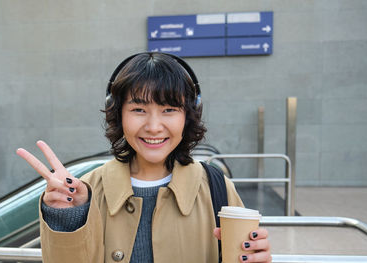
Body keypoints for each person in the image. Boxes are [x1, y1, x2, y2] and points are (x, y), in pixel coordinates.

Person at [16, 52, 272, 262]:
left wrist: (256, 256)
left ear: (188, 114)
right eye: (139, 109)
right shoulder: (87, 192)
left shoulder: (216, 186)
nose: (153, 126)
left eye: (169, 109)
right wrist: (68, 219)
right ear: (119, 114)